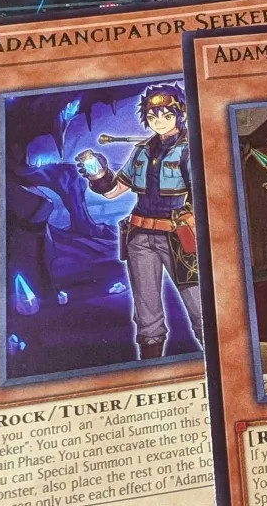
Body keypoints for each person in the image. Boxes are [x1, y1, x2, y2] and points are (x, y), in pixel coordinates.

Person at [75, 82, 202, 360]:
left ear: (180, 114)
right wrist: (98, 173)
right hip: (140, 238)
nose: (159, 121)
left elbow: (202, 196)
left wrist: (190, 218)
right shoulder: (142, 151)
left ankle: (217, 365)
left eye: (166, 115)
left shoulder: (190, 150)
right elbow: (113, 191)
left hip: (178, 238)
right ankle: (151, 367)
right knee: (146, 314)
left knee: (199, 307)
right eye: (153, 116)